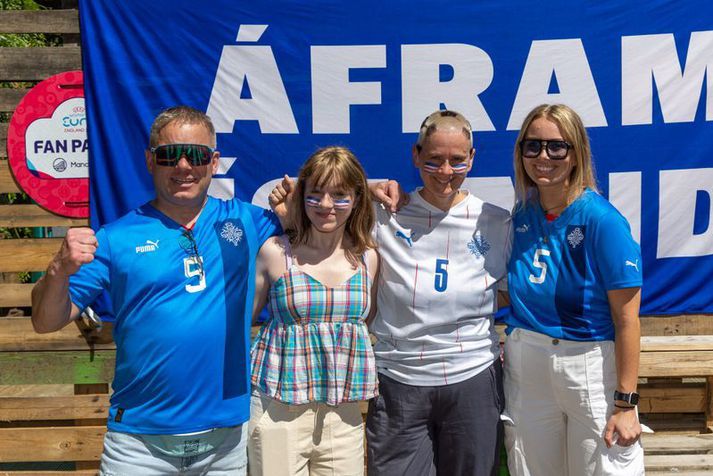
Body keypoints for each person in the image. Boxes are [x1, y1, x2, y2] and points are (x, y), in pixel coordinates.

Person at [31, 106, 282, 475]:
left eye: (195, 155)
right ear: (150, 161)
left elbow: (326, 202)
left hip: (226, 444)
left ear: (213, 162)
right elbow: (45, 321)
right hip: (138, 446)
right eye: (169, 155)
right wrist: (58, 269)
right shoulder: (115, 238)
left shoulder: (246, 221)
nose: (183, 166)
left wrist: (374, 188)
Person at [502, 104, 644, 475]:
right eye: (532, 146)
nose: (543, 157)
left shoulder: (602, 220)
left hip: (588, 366)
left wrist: (626, 403)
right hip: (527, 364)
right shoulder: (523, 212)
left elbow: (627, 318)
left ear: (576, 151)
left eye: (556, 146)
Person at [367, 110, 511, 475]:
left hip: (473, 378)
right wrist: (364, 185)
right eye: (433, 160)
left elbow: (511, 293)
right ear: (415, 155)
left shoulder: (496, 221)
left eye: (457, 160)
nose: (446, 171)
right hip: (399, 380)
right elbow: (313, 187)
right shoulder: (385, 213)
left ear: (472, 158)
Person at [248, 146, 379, 476]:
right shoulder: (276, 253)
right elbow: (241, 321)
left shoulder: (369, 258)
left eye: (339, 195)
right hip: (278, 409)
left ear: (357, 198)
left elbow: (371, 321)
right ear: (300, 195)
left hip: (343, 414)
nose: (326, 205)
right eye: (315, 194)